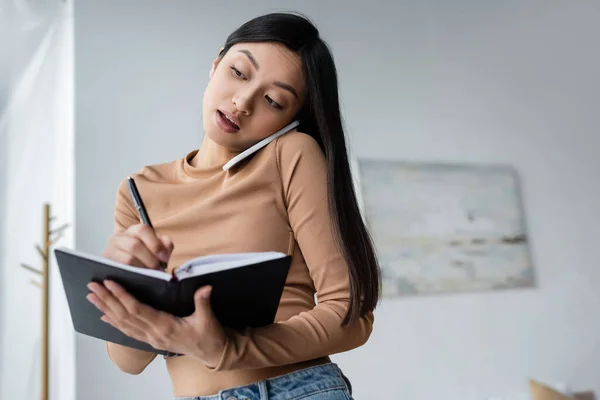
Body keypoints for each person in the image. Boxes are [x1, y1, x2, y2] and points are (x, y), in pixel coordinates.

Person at [85, 11, 381, 400]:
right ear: (215, 64)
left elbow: (350, 314)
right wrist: (128, 284)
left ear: (291, 119)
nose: (242, 102)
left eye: (274, 100)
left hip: (291, 391)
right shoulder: (139, 191)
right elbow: (129, 362)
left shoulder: (289, 155)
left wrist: (227, 349)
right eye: (239, 73)